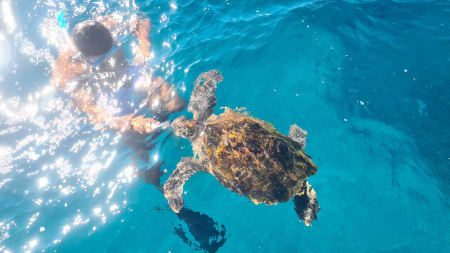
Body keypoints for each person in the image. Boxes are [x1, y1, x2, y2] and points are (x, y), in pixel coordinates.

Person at [51, 14, 185, 135]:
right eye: (102, 59)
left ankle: (189, 125)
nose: (110, 58)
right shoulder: (69, 67)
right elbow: (93, 112)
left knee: (176, 102)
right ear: (85, 58)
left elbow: (142, 21)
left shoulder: (105, 27)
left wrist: (143, 50)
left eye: (113, 48)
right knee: (140, 139)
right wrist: (131, 124)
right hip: (110, 97)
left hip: (131, 75)